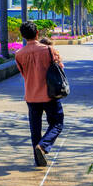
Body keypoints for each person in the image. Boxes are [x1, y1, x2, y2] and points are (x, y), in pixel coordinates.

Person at [15, 20, 64, 166]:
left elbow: (24, 74)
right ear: (37, 33)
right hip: (49, 94)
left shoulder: (19, 54)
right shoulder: (48, 50)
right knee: (57, 123)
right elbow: (60, 66)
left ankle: (38, 160)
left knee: (35, 130)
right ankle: (43, 146)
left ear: (23, 36)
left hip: (31, 95)